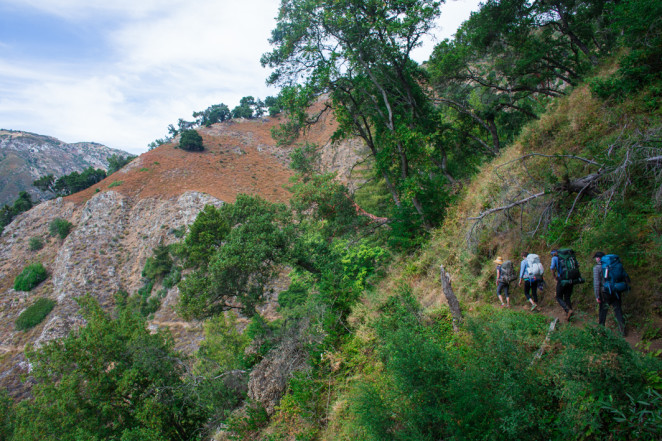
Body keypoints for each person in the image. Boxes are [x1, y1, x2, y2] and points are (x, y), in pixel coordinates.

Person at [593, 251, 626, 336]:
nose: (595, 259)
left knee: (603, 311)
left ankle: (601, 330)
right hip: (616, 290)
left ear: (598, 258)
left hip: (605, 293)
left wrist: (597, 296)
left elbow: (597, 283)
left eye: (596, 258)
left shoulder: (597, 268)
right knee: (618, 310)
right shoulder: (614, 265)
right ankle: (622, 330)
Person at [551, 249, 573, 321]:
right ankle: (570, 313)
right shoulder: (569, 257)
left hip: (562, 279)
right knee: (567, 297)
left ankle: (567, 310)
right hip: (571, 279)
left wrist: (554, 277)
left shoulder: (554, 258)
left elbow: (552, 268)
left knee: (558, 296)